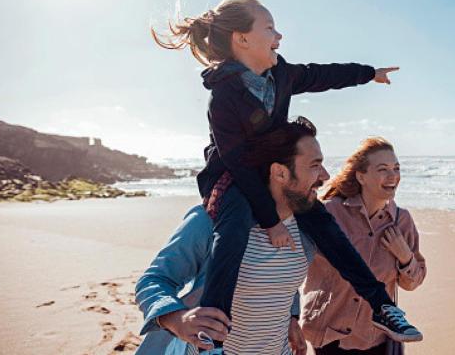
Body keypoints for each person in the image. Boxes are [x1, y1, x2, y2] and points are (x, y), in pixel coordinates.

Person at [152, 0, 420, 351]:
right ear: (242, 39)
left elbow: (322, 75)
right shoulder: (223, 96)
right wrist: (269, 220)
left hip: (279, 177)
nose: (279, 34)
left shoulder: (281, 74)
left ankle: (382, 307)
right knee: (232, 228)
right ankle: (212, 328)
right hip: (236, 177)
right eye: (269, 27)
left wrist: (368, 73)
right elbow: (235, 161)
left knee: (329, 232)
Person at [136, 118, 320, 354]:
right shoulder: (212, 220)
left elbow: (282, 284)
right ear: (280, 173)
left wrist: (292, 317)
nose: (324, 174)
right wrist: (176, 318)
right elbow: (153, 280)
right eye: (315, 165)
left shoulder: (304, 231)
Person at [301, 137, 427, 354]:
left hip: (375, 338)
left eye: (396, 168)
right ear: (361, 176)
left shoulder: (401, 221)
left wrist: (405, 256)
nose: (393, 176)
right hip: (329, 334)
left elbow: (412, 283)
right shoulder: (329, 213)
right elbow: (291, 259)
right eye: (383, 169)